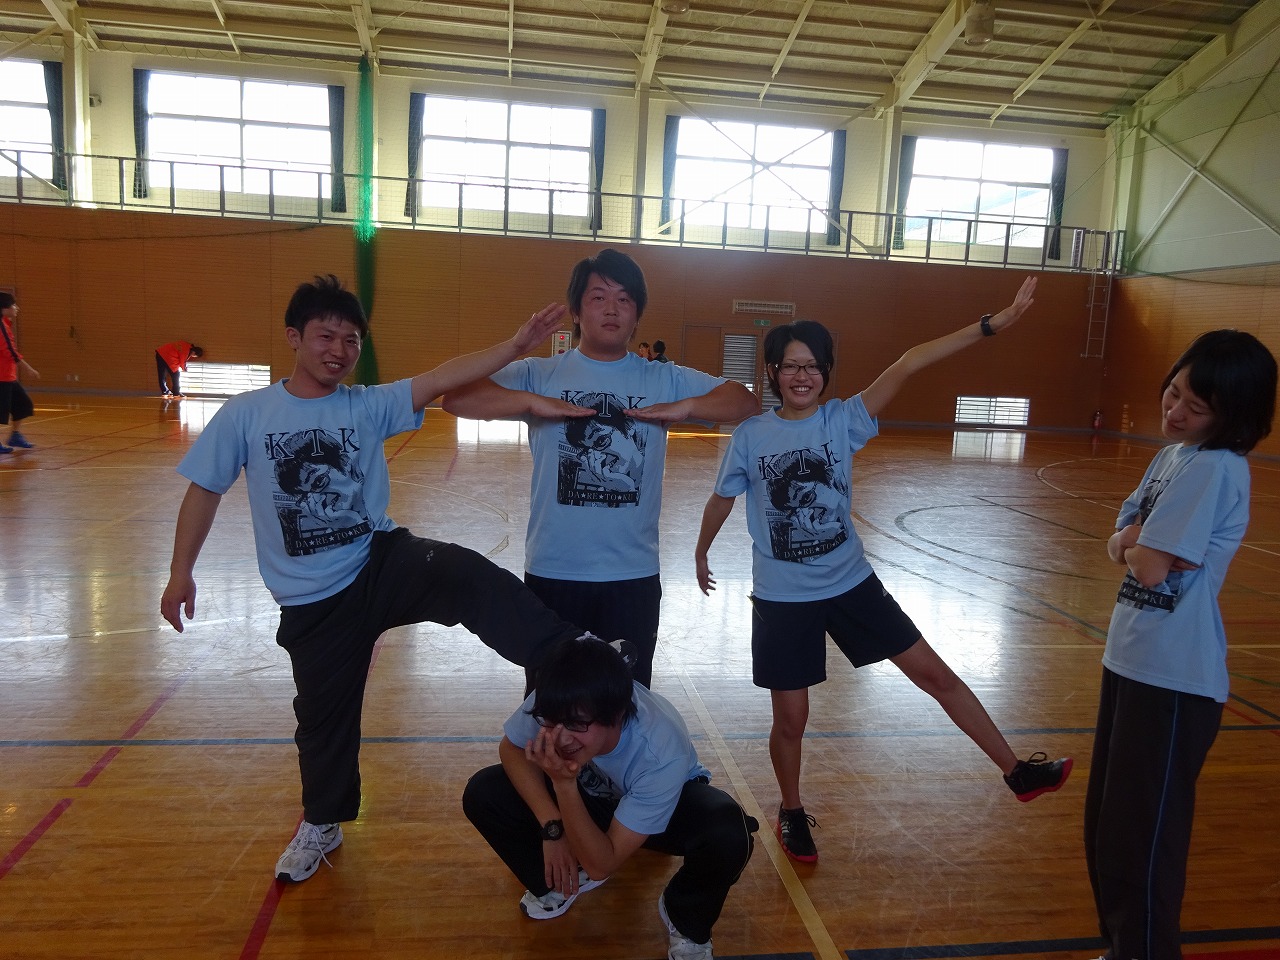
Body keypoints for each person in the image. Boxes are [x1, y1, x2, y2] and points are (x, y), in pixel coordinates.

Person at [160, 274, 597, 885]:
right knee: (322, 724)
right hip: (312, 601)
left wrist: (515, 346)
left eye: (351, 340)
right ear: (294, 337)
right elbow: (204, 490)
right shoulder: (247, 414)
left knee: (461, 572)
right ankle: (323, 822)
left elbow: (441, 378)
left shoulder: (365, 405)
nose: (338, 350)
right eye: (325, 336)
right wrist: (180, 572)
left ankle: (575, 655)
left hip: (377, 561)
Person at [694, 277, 1072, 864]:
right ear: (772, 372)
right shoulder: (752, 436)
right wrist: (700, 552)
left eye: (813, 366)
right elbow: (722, 498)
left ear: (826, 373)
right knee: (791, 720)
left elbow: (910, 361)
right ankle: (791, 810)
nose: (802, 375)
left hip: (851, 584)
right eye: (791, 365)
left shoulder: (843, 420)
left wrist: (990, 325)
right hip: (782, 598)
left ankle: (1016, 770)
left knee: (935, 675)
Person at [442, 249, 759, 689]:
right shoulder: (540, 373)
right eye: (598, 297)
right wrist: (531, 400)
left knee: (627, 705)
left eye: (624, 299)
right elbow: (456, 398)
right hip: (554, 571)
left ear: (637, 315)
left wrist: (684, 407)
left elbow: (745, 401)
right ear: (576, 311)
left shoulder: (661, 378)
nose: (612, 309)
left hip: (632, 575)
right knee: (552, 704)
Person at [1085, 330, 1277, 960]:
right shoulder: (1172, 458)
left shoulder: (1215, 467)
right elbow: (1121, 543)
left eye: (1195, 408)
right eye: (1173, 393)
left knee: (1143, 839)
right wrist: (1138, 541)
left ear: (1232, 416)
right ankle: (1123, 948)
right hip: (1130, 659)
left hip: (1173, 677)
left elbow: (1146, 568)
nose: (1175, 412)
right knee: (1110, 827)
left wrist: (1138, 545)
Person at [463, 633, 758, 960]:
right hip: (592, 794)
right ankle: (564, 880)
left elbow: (603, 864)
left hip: (665, 809)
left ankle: (684, 915)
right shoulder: (559, 696)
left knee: (728, 832)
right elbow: (512, 748)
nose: (561, 738)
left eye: (576, 725)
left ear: (617, 714)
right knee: (484, 792)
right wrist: (553, 829)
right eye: (552, 721)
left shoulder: (661, 749)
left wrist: (563, 785)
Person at [0, 292, 39, 454]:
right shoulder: (1, 327)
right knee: (1, 411)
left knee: (23, 404)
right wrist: (28, 368)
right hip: (1, 378)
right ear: (4, 308)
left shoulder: (5, 324)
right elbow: (10, 352)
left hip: (8, 377)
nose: (17, 308)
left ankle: (15, 436)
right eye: (13, 305)